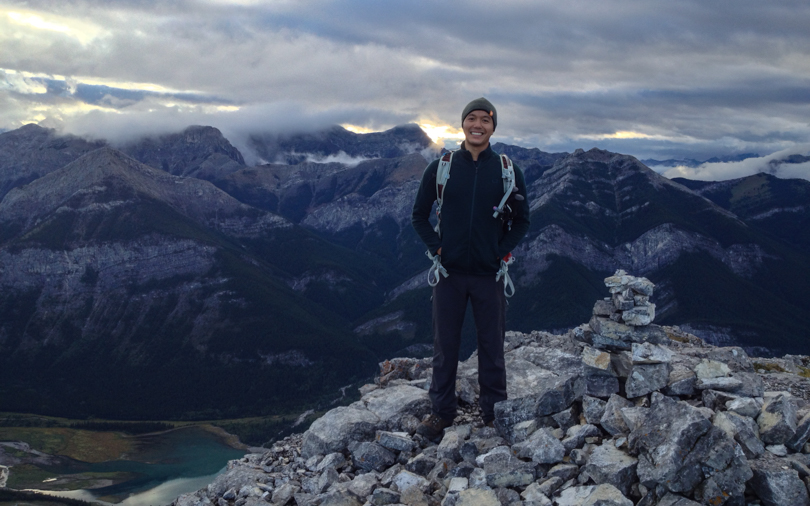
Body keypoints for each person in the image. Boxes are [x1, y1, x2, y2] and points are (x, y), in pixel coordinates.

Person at [411, 97, 531, 438]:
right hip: (448, 274)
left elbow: (523, 221)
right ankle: (441, 412)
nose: (477, 125)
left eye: (485, 120)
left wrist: (500, 253)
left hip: (488, 274)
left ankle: (493, 413)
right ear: (462, 123)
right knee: (444, 346)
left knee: (492, 346)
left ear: (494, 127)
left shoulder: (508, 170)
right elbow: (418, 215)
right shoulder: (442, 168)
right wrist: (436, 247)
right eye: (472, 119)